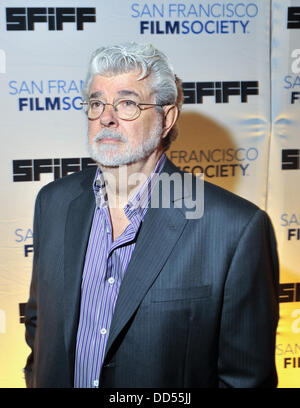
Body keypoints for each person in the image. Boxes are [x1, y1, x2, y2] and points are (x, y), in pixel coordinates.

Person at [24, 42, 279, 388]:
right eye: (96, 102)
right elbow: (39, 327)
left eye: (127, 103)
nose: (106, 117)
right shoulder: (52, 203)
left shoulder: (234, 229)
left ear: (166, 118)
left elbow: (245, 379)